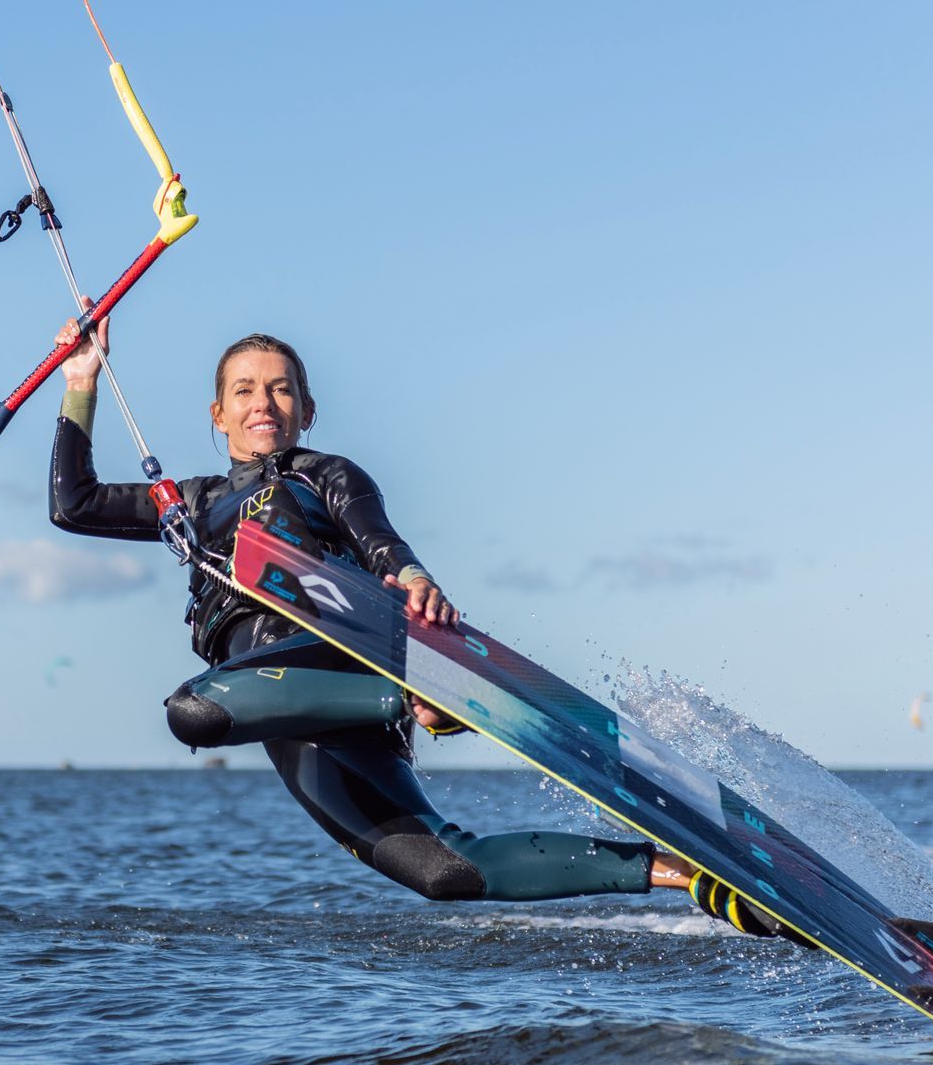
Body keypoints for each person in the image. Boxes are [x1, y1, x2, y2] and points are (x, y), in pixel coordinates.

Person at [47, 312, 796, 937]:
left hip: (345, 665)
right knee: (446, 872)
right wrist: (81, 381)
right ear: (218, 414)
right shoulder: (191, 501)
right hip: (279, 708)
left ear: (306, 409)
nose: (262, 402)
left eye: (280, 388)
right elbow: (72, 505)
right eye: (244, 390)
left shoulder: (327, 473)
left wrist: (413, 581)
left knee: (194, 710)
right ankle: (686, 876)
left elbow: (379, 540)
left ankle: (422, 702)